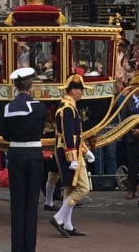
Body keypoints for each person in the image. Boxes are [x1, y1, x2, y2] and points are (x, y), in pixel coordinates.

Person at [2, 67, 46, 252]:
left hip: (16, 155)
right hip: (35, 155)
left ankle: (17, 248)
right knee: (31, 204)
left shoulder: (7, 108)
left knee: (17, 204)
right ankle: (30, 248)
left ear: (15, 86)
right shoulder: (39, 107)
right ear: (31, 87)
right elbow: (41, 130)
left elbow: (4, 135)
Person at [49, 74, 95, 238]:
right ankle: (58, 217)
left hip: (72, 152)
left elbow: (75, 135)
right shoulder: (67, 108)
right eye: (81, 90)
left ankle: (67, 225)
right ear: (74, 90)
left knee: (70, 188)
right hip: (69, 154)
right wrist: (73, 158)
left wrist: (84, 150)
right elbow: (68, 136)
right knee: (83, 188)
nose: (82, 93)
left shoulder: (68, 106)